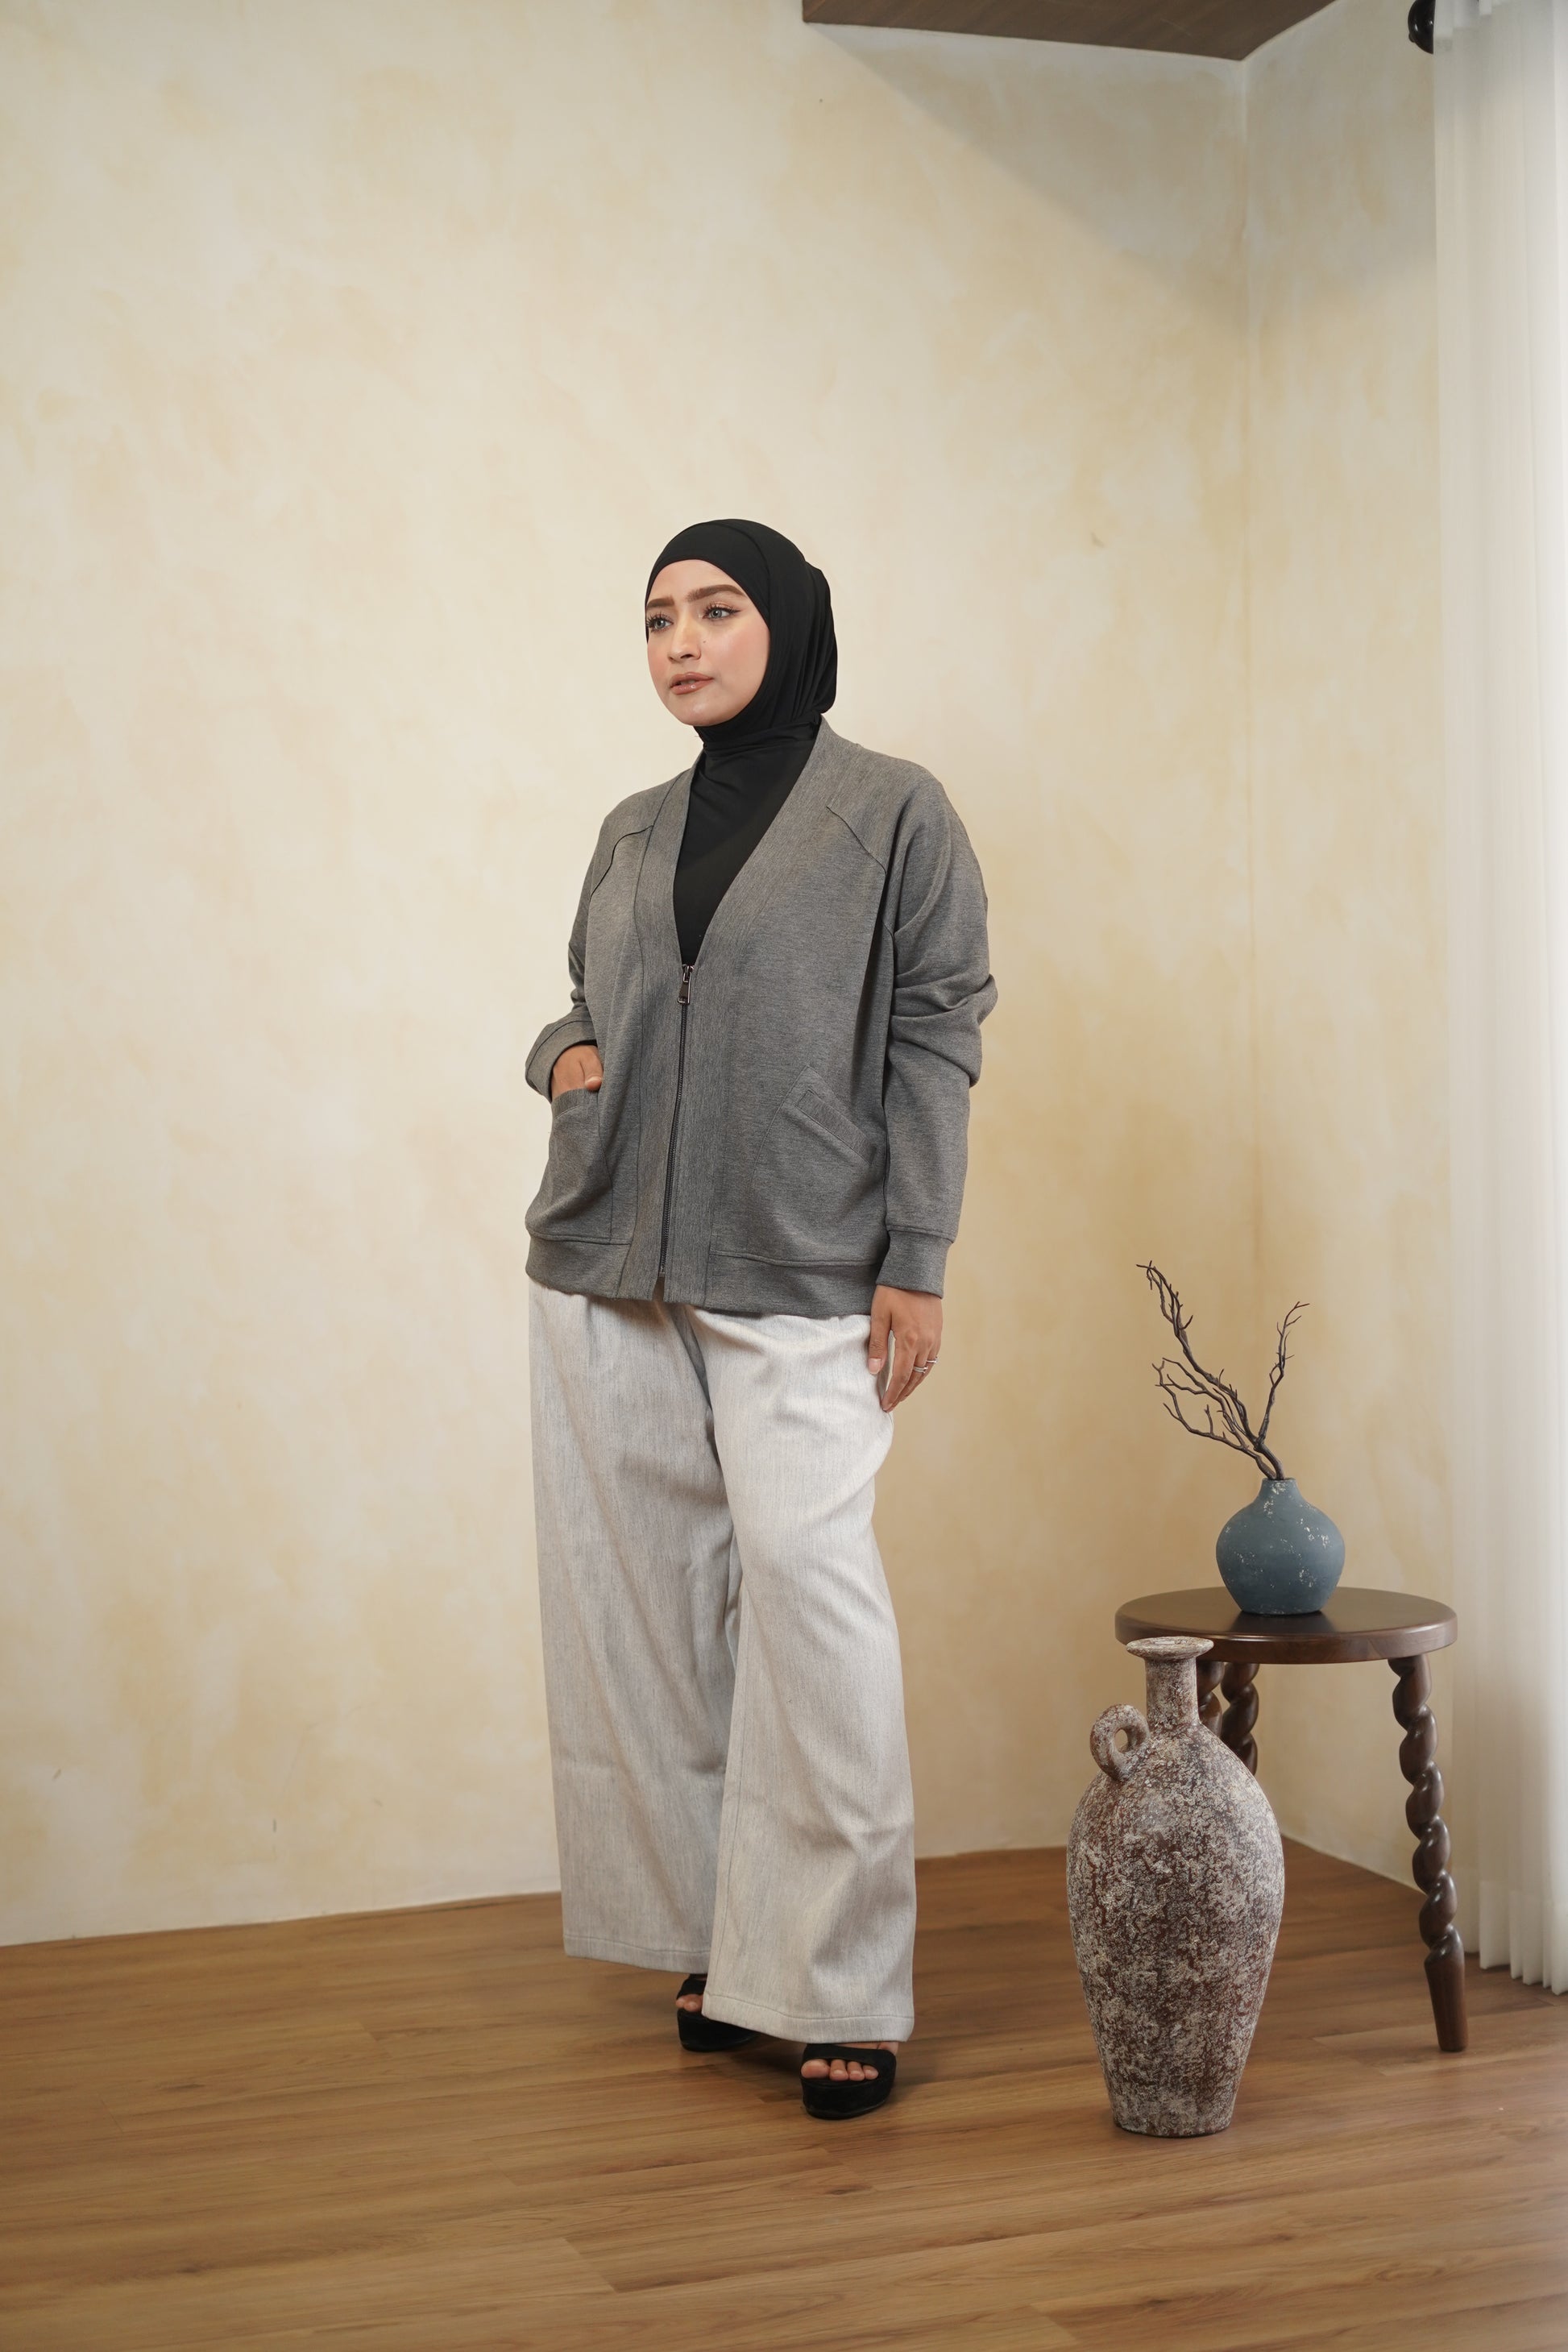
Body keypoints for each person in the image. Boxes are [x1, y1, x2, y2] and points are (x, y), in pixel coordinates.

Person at [525, 518, 994, 2119]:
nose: (682, 641)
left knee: (810, 1603)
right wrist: (560, 1061)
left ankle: (839, 1978)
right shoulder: (631, 826)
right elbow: (583, 996)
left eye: (717, 610)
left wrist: (917, 1253)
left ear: (786, 623)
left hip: (803, 1264)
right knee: (652, 1618)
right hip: (609, 1262)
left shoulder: (893, 812)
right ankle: (720, 1948)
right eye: (658, 616)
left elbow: (936, 1028)